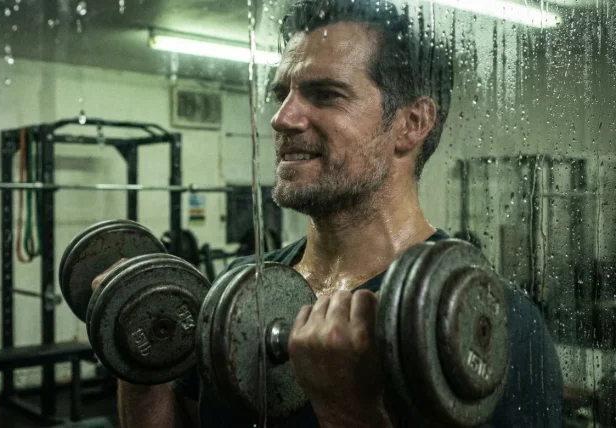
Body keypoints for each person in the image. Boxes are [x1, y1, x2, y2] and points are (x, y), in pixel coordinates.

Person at [114, 1, 563, 427]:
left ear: (411, 124)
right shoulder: (242, 285)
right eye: (282, 94)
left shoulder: (492, 320)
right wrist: (138, 362)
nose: (282, 118)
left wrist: (350, 413)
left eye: (325, 95)